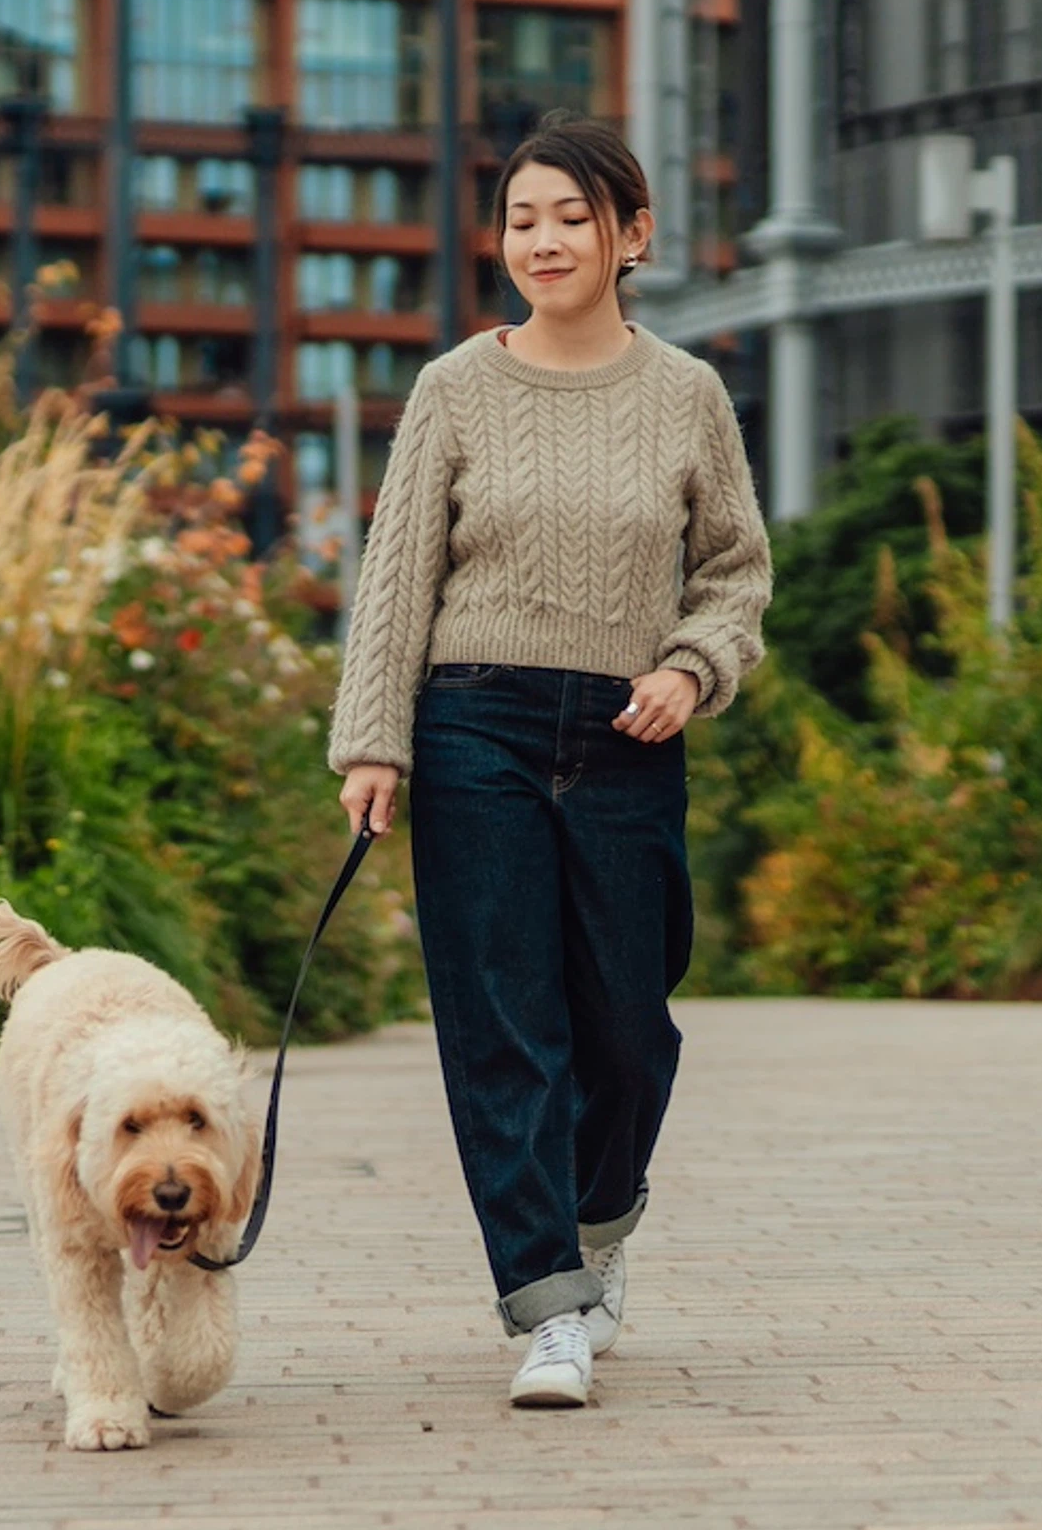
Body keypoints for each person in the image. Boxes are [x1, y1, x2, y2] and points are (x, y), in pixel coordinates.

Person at [325, 116, 771, 1410]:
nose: (543, 240)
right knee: (503, 1023)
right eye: (523, 218)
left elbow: (737, 571)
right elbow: (397, 570)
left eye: (571, 217)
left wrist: (691, 668)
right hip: (475, 723)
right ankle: (547, 1303)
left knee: (628, 1030)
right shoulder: (455, 388)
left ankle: (600, 1219)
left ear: (630, 235)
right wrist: (373, 740)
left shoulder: (686, 393)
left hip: (631, 732)